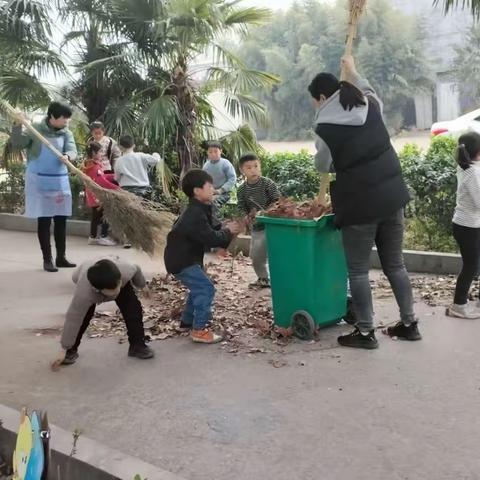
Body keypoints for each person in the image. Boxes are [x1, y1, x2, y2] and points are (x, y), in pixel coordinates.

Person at [308, 55, 421, 349]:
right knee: (395, 263)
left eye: (314, 101)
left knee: (357, 269)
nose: (315, 107)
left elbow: (323, 164)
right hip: (392, 195)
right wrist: (353, 69)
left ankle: (366, 332)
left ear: (321, 97)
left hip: (359, 203)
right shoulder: (369, 103)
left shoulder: (325, 125)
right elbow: (368, 87)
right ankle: (409, 324)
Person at [164, 169, 241, 344]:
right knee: (206, 289)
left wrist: (226, 228)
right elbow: (211, 237)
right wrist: (228, 231)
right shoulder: (194, 214)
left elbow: (213, 226)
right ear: (198, 191)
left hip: (184, 258)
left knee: (198, 288)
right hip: (182, 261)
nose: (213, 188)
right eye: (210, 185)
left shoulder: (201, 208)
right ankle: (199, 330)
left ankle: (187, 322)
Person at [11, 102, 78, 272]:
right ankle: (47, 259)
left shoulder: (67, 133)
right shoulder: (35, 130)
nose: (66, 122)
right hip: (39, 181)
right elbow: (18, 143)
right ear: (52, 117)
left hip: (59, 181)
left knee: (61, 220)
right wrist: (17, 125)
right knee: (44, 220)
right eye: (64, 118)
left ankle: (61, 257)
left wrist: (67, 156)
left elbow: (72, 150)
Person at [56, 258, 155, 366]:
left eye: (118, 286)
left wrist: (143, 286)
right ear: (99, 290)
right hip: (89, 278)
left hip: (114, 270)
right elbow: (73, 319)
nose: (116, 291)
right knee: (82, 317)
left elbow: (136, 269)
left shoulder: (125, 270)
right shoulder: (84, 293)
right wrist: (64, 348)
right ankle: (70, 351)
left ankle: (138, 346)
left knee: (133, 309)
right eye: (112, 291)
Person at [447, 132, 480, 319]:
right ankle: (459, 305)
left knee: (476, 264)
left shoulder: (468, 167)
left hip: (471, 225)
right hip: (468, 227)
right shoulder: (471, 173)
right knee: (471, 266)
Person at [237, 153, 280, 288]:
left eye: (256, 166)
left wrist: (266, 212)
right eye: (248, 167)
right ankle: (263, 279)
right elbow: (241, 207)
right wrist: (245, 216)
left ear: (260, 166)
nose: (253, 170)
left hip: (271, 226)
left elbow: (277, 202)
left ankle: (278, 279)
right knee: (255, 256)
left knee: (272, 255)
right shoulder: (242, 190)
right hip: (255, 227)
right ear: (242, 170)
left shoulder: (268, 184)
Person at [82, 142, 119, 246]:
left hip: (93, 196)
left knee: (96, 217)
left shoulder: (91, 165)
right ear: (93, 152)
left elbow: (102, 177)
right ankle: (103, 236)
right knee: (105, 216)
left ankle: (93, 237)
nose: (101, 154)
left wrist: (112, 175)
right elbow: (102, 182)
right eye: (99, 152)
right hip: (97, 197)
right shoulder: (94, 167)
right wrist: (117, 188)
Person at [114, 134, 160, 199]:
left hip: (126, 191)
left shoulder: (118, 161)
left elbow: (116, 178)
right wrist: (156, 154)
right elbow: (156, 160)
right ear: (134, 146)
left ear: (120, 147)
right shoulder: (141, 156)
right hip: (144, 190)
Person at [202, 141, 237, 212]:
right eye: (210, 152)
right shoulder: (206, 166)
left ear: (220, 151)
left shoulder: (225, 163)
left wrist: (221, 190)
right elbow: (203, 180)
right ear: (207, 152)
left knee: (213, 204)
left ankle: (217, 222)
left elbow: (232, 178)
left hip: (224, 194)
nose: (213, 154)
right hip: (210, 193)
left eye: (215, 151)